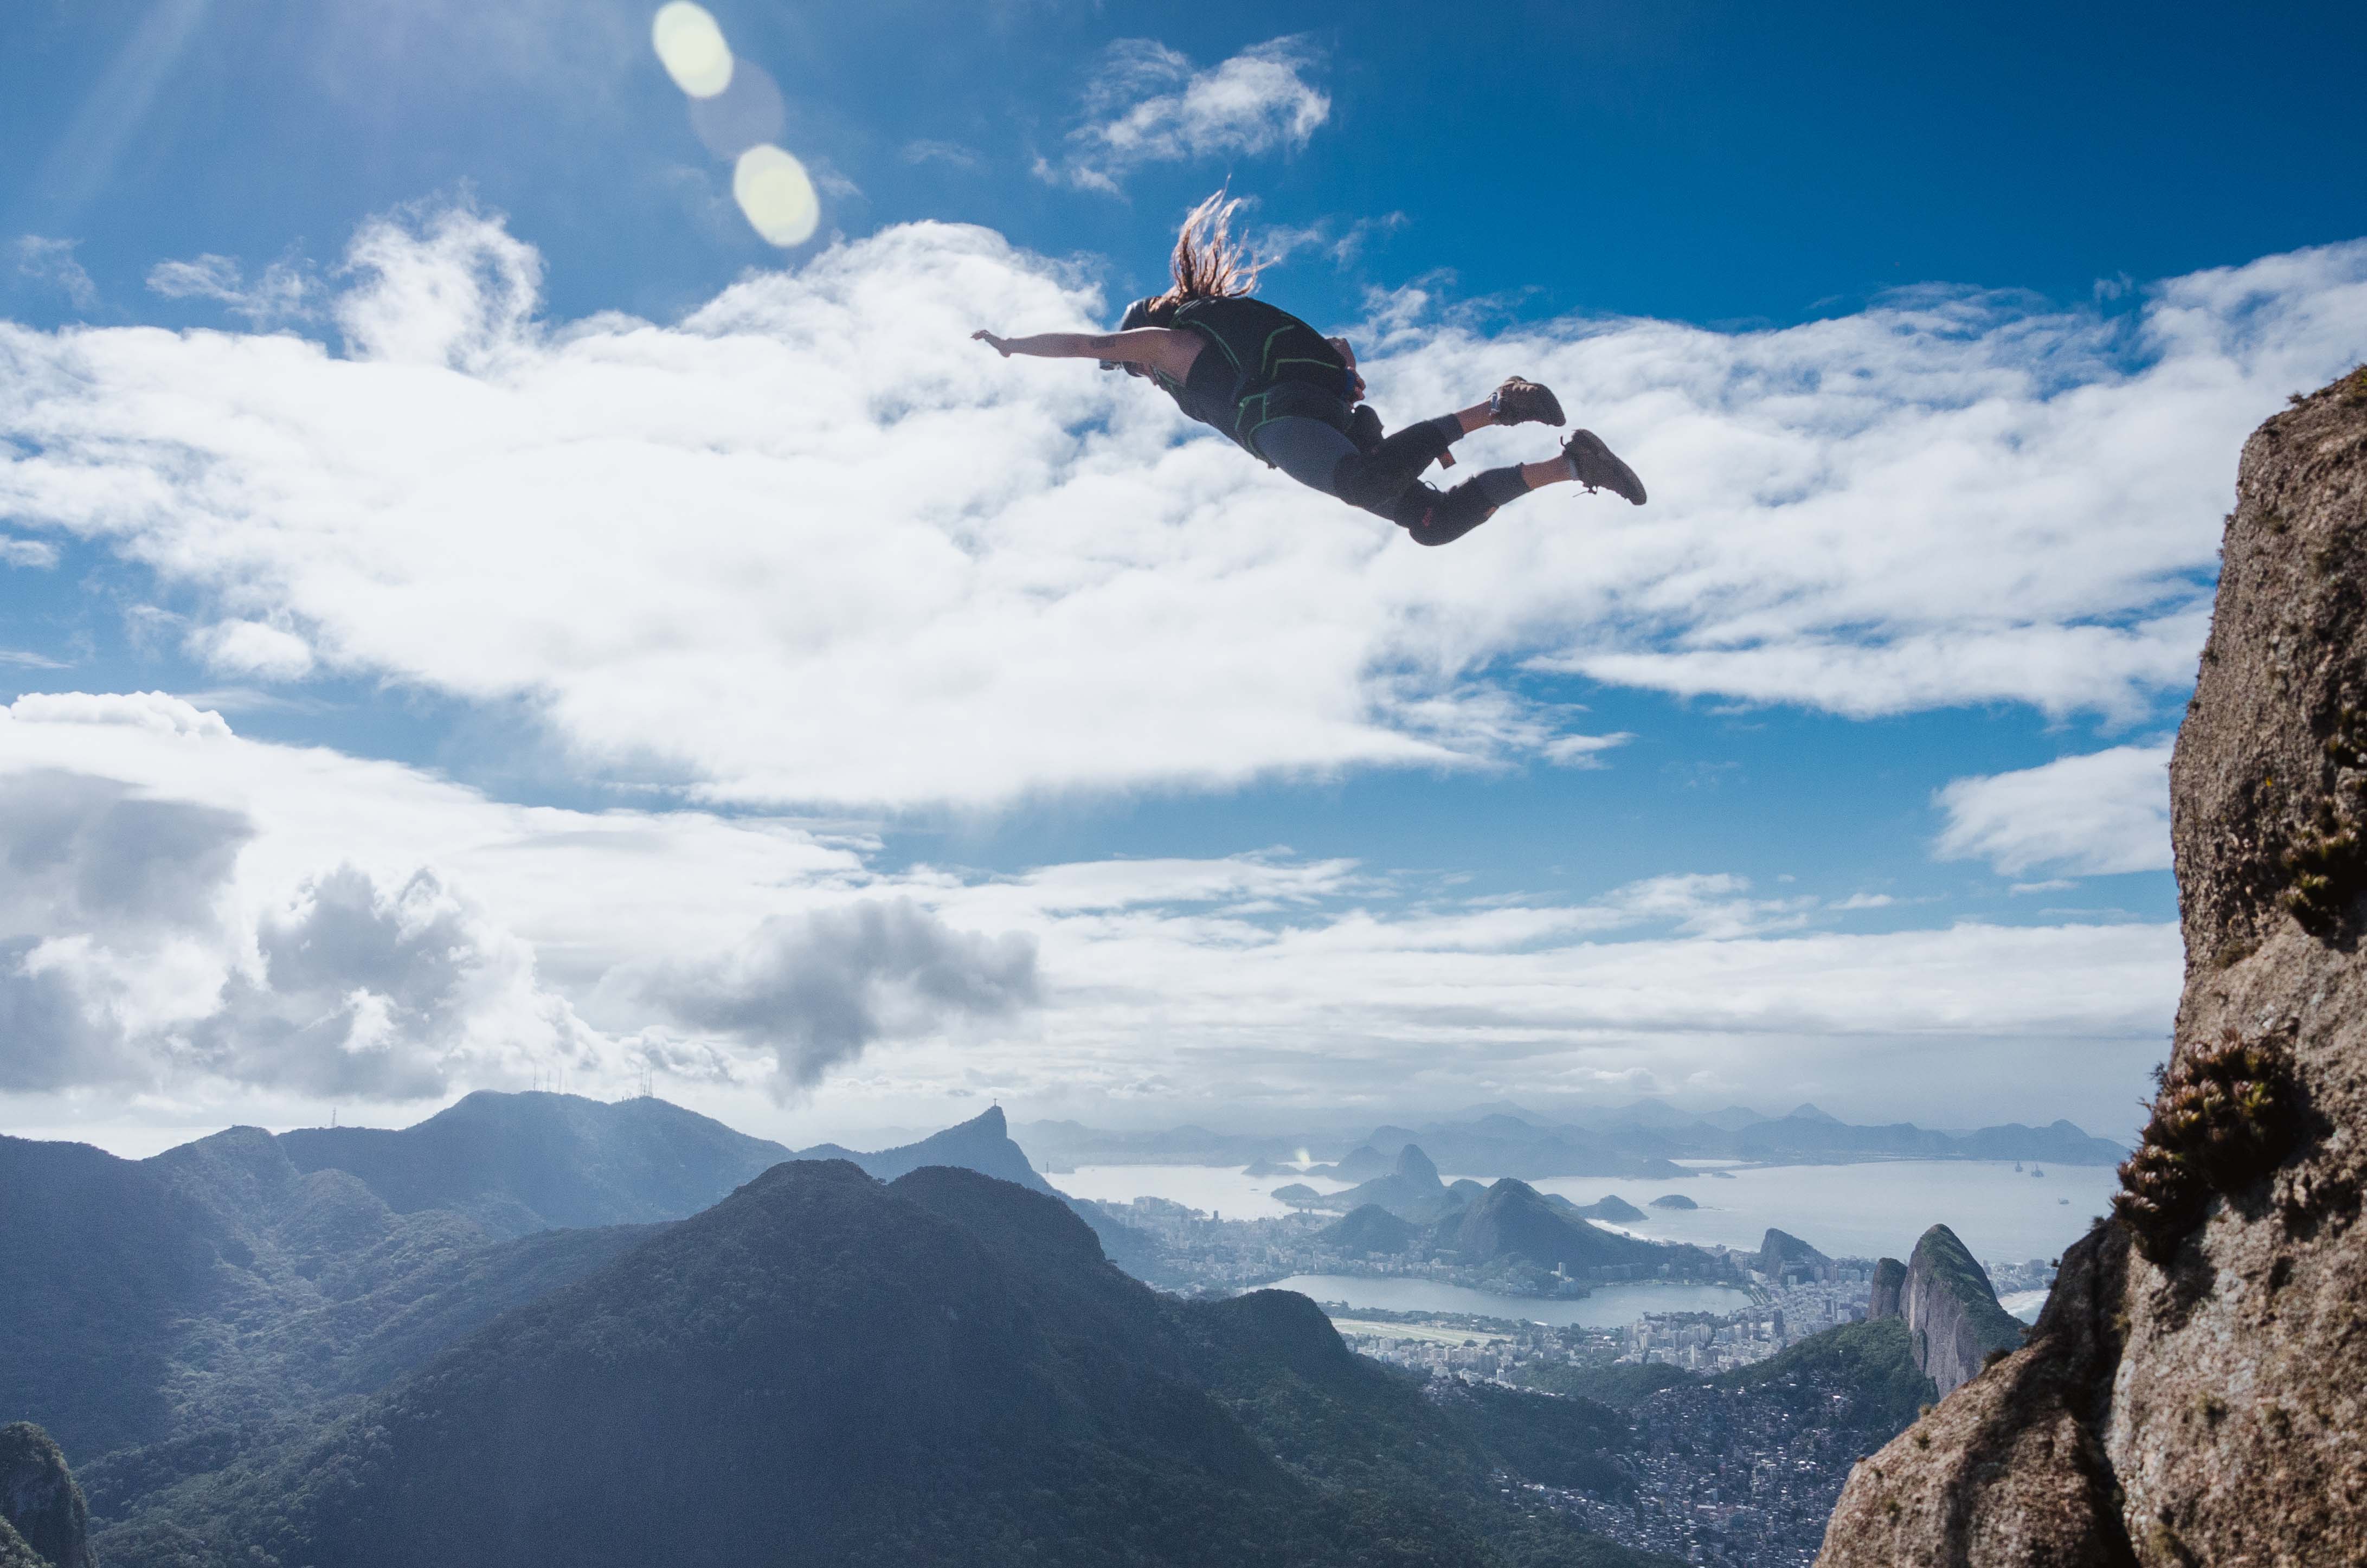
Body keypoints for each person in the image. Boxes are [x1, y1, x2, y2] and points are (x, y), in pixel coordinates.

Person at [972, 192, 1645, 545]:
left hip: (1290, 426)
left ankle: (1499, 407)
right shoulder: (1231, 330)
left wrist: (1014, 344)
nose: (1141, 376)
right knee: (1433, 525)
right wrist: (1345, 374)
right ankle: (1574, 464)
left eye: (1135, 368)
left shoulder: (1165, 344)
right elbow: (1339, 345)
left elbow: (1088, 346)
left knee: (1360, 484)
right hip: (1325, 411)